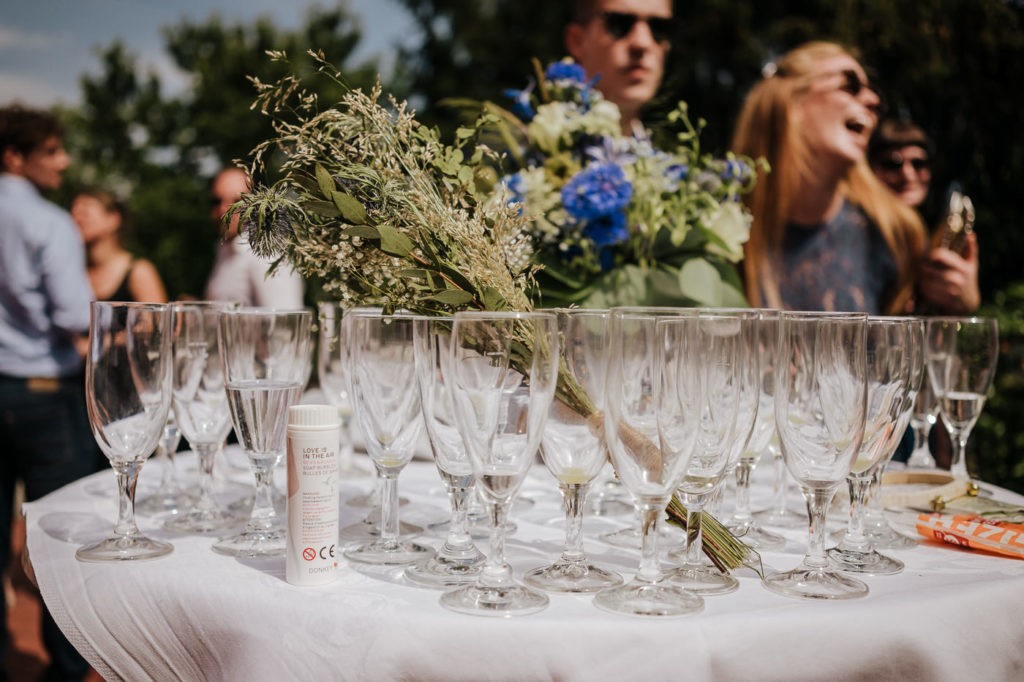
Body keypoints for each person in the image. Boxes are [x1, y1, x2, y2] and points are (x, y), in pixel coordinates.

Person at [731, 41, 930, 315]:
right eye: (850, 86)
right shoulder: (723, 229)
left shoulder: (894, 230)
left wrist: (958, 306)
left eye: (874, 94)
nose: (872, 102)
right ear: (790, 102)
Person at [0, 104, 93, 681]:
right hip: (43, 393)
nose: (63, 161)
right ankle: (65, 669)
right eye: (52, 150)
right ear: (14, 155)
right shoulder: (50, 223)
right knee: (60, 540)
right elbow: (72, 315)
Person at [869, 119, 980, 314]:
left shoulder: (936, 234)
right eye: (892, 164)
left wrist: (966, 299)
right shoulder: (857, 231)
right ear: (871, 169)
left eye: (919, 163)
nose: (907, 174)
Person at [565, 0, 673, 136]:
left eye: (659, 27)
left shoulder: (674, 155)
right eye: (619, 24)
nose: (642, 43)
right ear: (577, 41)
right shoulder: (533, 149)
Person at [204, 167, 304, 307]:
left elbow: (284, 322)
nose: (224, 209)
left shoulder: (267, 254)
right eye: (216, 201)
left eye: (236, 201)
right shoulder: (223, 250)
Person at [71, 188, 168, 303]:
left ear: (113, 219)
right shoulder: (74, 269)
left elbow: (156, 319)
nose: (76, 219)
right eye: (74, 213)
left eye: (85, 213)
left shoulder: (139, 272)